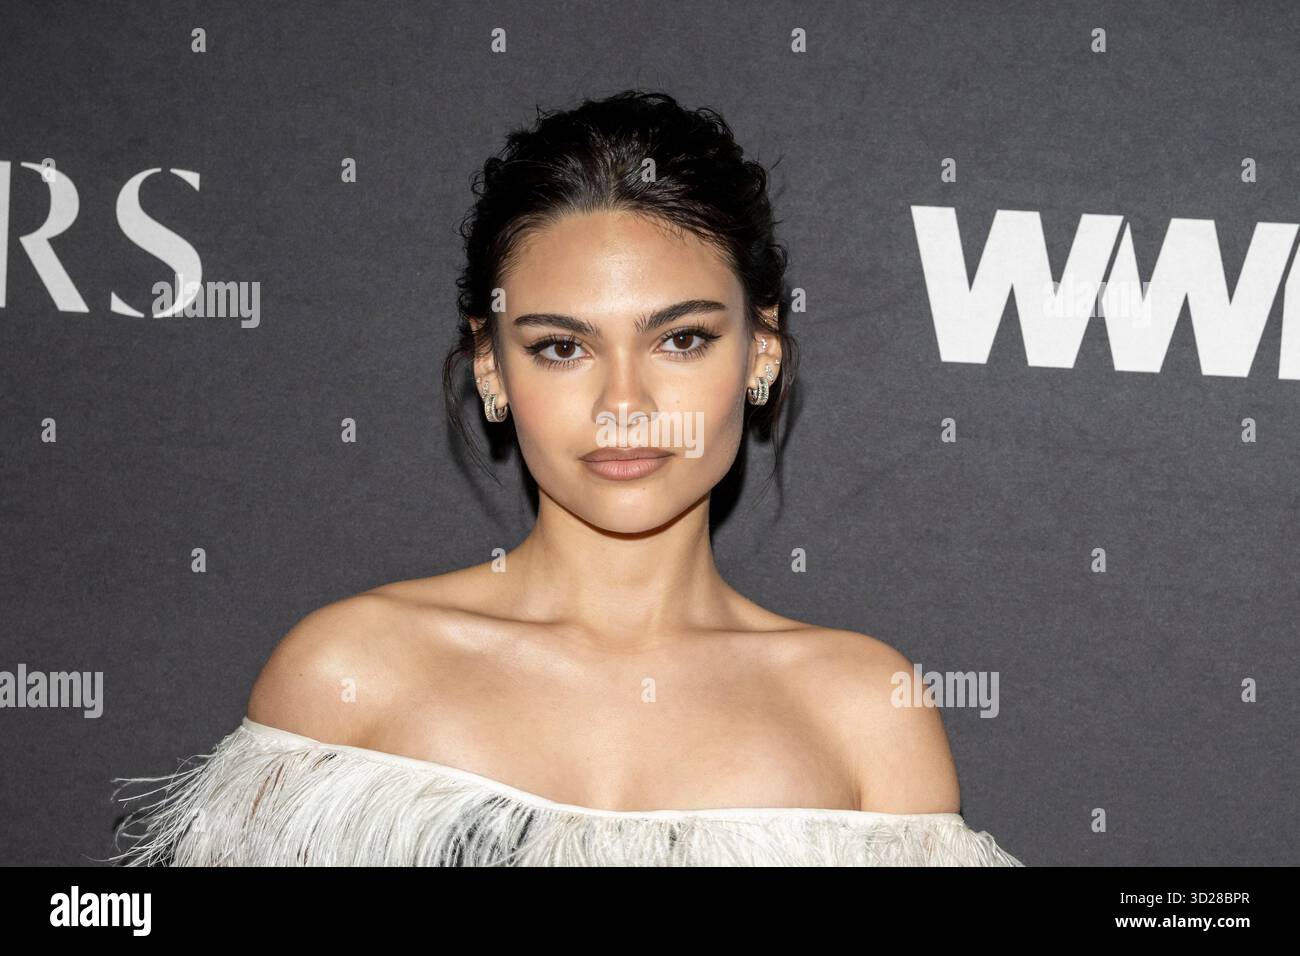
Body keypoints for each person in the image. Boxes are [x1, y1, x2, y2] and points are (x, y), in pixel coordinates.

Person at [105, 90, 1023, 866]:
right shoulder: (351, 675)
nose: (624, 402)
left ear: (762, 353)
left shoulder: (864, 711)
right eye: (561, 347)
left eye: (683, 338)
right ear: (494, 368)